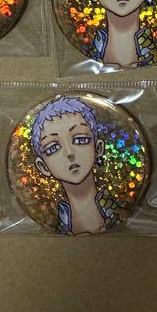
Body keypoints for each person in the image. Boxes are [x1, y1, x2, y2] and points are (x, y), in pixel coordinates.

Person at [31, 96, 119, 234]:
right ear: (43, 167)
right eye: (53, 148)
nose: (69, 153)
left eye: (80, 140)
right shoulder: (54, 224)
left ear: (98, 149)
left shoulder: (119, 213)